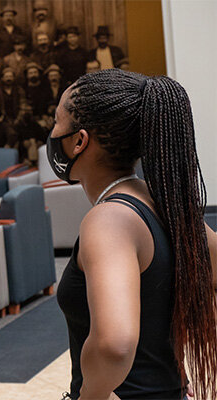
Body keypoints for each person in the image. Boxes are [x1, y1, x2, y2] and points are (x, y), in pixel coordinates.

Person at [52, 69, 217, 399]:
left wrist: (90, 396)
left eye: (56, 120)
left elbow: (115, 345)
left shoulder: (109, 221)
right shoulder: (164, 203)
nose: (52, 132)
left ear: (79, 141)